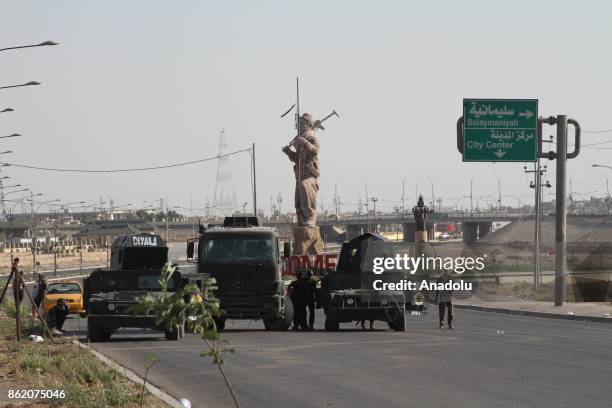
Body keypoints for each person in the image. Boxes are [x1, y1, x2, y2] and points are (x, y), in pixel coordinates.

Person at [282, 113, 321, 228]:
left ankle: (310, 218)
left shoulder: (311, 137)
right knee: (298, 198)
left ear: (309, 125)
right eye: (299, 124)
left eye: (303, 123)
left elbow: (316, 150)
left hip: (310, 174)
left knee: (305, 188)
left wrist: (304, 143)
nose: (300, 126)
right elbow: (297, 159)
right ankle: (302, 220)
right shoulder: (298, 140)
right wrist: (288, 152)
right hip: (300, 174)